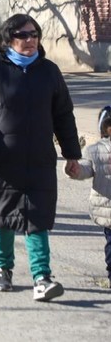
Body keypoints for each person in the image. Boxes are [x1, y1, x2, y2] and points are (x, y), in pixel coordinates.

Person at [0, 13, 81, 302]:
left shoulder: (49, 71)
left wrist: (71, 154)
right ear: (8, 40)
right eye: (22, 35)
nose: (29, 40)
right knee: (2, 217)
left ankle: (42, 277)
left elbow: (63, 115)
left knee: (37, 218)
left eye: (34, 35)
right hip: (2, 161)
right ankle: (4, 269)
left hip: (40, 160)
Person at [67, 110, 111, 288]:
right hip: (108, 210)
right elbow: (86, 168)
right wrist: (75, 170)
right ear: (104, 129)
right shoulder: (95, 150)